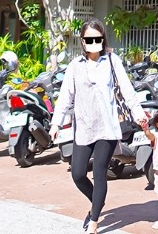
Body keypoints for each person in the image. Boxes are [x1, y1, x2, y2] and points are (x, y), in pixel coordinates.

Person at [50, 18, 148, 234]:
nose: (93, 43)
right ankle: (97, 202)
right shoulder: (75, 66)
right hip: (84, 128)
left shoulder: (112, 61)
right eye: (89, 39)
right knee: (77, 174)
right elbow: (65, 97)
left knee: (99, 172)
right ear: (82, 41)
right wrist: (56, 123)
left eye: (97, 38)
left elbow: (127, 91)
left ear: (103, 40)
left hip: (107, 127)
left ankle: (94, 221)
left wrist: (139, 114)